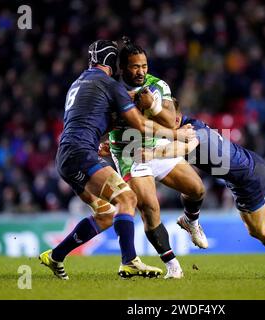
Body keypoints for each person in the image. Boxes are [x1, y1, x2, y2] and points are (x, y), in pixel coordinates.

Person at [38, 40, 194, 280]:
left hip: (67, 155)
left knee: (105, 214)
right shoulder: (109, 84)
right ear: (113, 62)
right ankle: (129, 261)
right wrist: (178, 134)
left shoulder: (79, 82)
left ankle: (55, 256)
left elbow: (90, 117)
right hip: (81, 153)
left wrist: (104, 140)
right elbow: (141, 124)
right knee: (127, 198)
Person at [137, 97, 265, 276]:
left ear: (177, 118)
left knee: (257, 230)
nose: (159, 124)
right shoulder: (183, 127)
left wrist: (153, 154)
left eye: (161, 119)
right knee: (262, 200)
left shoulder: (192, 132)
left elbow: (185, 148)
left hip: (246, 179)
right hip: (252, 166)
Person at [106, 37, 207, 279]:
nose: (141, 72)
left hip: (156, 146)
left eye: (144, 66)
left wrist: (152, 107)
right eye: (134, 66)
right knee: (150, 208)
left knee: (197, 189)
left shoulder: (157, 86)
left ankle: (190, 221)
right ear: (122, 68)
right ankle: (172, 265)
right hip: (129, 152)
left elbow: (171, 120)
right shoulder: (110, 89)